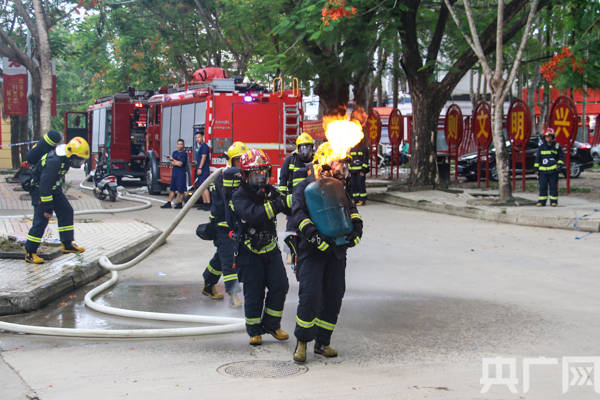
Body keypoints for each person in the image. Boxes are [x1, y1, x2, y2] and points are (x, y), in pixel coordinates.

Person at [291, 142, 363, 363]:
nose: (342, 170)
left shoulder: (340, 187)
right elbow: (298, 216)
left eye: (343, 166)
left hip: (336, 252)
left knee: (334, 296)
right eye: (338, 164)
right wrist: (315, 237)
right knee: (311, 296)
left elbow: (351, 211)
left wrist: (357, 231)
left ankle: (323, 342)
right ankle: (302, 342)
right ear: (324, 163)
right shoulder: (304, 186)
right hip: (311, 253)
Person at [230, 148, 291, 346]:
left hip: (270, 248)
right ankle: (254, 331)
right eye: (255, 174)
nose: (259, 178)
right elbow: (254, 214)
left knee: (280, 285)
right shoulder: (239, 196)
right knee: (254, 292)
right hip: (249, 251)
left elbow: (288, 205)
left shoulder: (271, 192)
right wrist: (277, 204)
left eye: (262, 173)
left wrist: (292, 199)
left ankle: (272, 325)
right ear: (246, 175)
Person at [25, 137, 90, 264]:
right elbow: (44, 186)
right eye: (79, 159)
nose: (80, 163)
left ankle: (67, 244)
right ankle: (30, 253)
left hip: (53, 189)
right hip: (40, 191)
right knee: (41, 221)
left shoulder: (65, 157)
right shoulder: (54, 161)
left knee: (66, 211)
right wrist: (47, 207)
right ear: (71, 154)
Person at [201, 141, 248, 307]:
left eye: (243, 160)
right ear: (230, 161)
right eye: (237, 160)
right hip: (223, 225)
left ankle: (208, 283)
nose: (241, 164)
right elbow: (230, 203)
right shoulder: (223, 177)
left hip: (235, 224)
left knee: (220, 258)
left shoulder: (242, 176)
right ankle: (233, 295)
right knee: (228, 258)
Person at [279, 133, 315, 262]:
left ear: (312, 148)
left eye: (308, 148)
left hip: (313, 202)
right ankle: (290, 255)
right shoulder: (290, 161)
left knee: (310, 228)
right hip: (295, 203)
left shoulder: (317, 161)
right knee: (291, 229)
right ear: (298, 149)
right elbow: (282, 181)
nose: (305, 151)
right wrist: (284, 204)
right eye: (302, 148)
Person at [534, 128, 564, 207]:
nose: (548, 138)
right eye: (547, 136)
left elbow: (561, 157)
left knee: (553, 186)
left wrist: (559, 165)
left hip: (553, 170)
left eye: (550, 136)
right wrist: (536, 169)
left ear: (552, 137)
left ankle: (553, 201)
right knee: (542, 186)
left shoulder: (557, 146)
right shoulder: (541, 147)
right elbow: (538, 159)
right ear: (544, 137)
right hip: (543, 171)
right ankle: (542, 201)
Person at [161, 139, 188, 209]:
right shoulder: (174, 153)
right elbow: (172, 163)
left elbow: (180, 164)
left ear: (183, 145)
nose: (179, 145)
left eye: (181, 144)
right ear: (176, 145)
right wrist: (174, 161)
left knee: (181, 190)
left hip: (181, 174)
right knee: (172, 189)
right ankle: (169, 203)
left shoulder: (184, 154)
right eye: (178, 144)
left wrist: (173, 160)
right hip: (175, 173)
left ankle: (180, 203)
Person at [194, 129, 211, 210]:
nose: (197, 139)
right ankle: (204, 203)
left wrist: (200, 168)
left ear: (202, 137)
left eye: (199, 137)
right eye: (196, 137)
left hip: (203, 170)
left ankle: (208, 203)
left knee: (204, 187)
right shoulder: (201, 146)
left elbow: (204, 157)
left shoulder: (204, 146)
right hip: (201, 168)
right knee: (201, 187)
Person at [349, 139, 369, 205]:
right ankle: (356, 199)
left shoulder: (364, 148)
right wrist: (350, 170)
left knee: (360, 185)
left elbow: (365, 161)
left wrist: (363, 170)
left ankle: (362, 200)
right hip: (353, 171)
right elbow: (349, 160)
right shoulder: (351, 148)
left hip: (360, 171)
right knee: (354, 185)